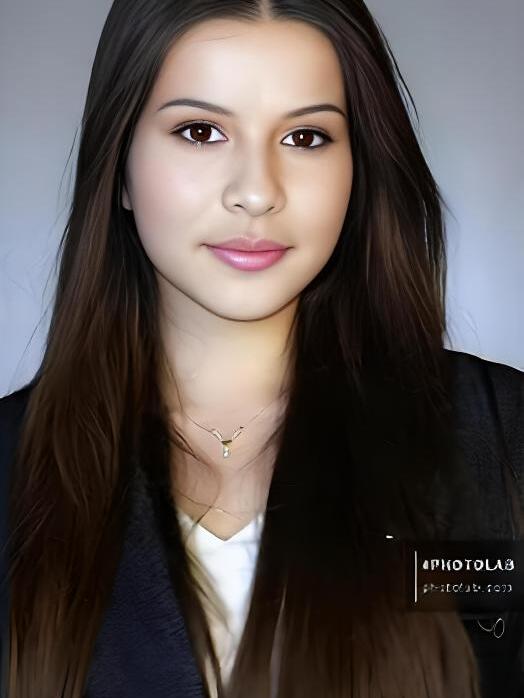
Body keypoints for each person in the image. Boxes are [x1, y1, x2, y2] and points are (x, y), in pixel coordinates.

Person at [0, 1, 523, 696]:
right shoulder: (11, 465)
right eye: (200, 131)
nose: (256, 193)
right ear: (120, 168)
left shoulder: (499, 437)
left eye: (306, 137)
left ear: (358, 170)